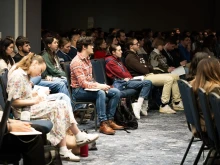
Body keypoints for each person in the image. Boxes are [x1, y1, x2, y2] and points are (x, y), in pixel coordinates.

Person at [7, 53, 99, 162]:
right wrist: (34, 100)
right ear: (35, 63)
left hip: (29, 107)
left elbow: (23, 95)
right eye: (40, 70)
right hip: (23, 111)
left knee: (62, 103)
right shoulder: (18, 75)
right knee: (59, 105)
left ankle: (71, 142)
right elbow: (13, 102)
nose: (39, 74)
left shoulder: (24, 75)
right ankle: (69, 143)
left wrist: (34, 95)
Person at [70, 37, 123, 135]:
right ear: (84, 47)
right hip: (78, 91)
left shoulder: (87, 59)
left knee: (116, 92)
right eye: (91, 45)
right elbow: (83, 83)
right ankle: (103, 123)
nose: (93, 47)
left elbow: (90, 80)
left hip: (87, 88)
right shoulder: (77, 62)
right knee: (100, 93)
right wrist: (99, 86)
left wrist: (101, 85)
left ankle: (109, 120)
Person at [125, 37, 184, 114]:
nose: (139, 44)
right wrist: (147, 67)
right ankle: (164, 105)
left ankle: (176, 102)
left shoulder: (137, 55)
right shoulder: (130, 57)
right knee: (169, 79)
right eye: (137, 44)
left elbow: (148, 66)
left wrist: (147, 67)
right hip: (142, 77)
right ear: (131, 46)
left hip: (148, 74)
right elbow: (144, 69)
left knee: (175, 76)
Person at [105, 44, 152, 119]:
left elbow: (126, 71)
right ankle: (139, 106)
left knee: (145, 81)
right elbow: (120, 73)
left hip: (125, 81)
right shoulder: (110, 62)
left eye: (121, 50)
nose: (121, 52)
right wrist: (127, 78)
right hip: (120, 83)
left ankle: (141, 106)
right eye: (119, 50)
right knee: (147, 83)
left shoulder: (117, 60)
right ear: (113, 52)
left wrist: (129, 78)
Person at [190, 57, 220, 134]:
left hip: (201, 125)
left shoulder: (194, 84)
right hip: (212, 128)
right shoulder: (214, 88)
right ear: (214, 71)